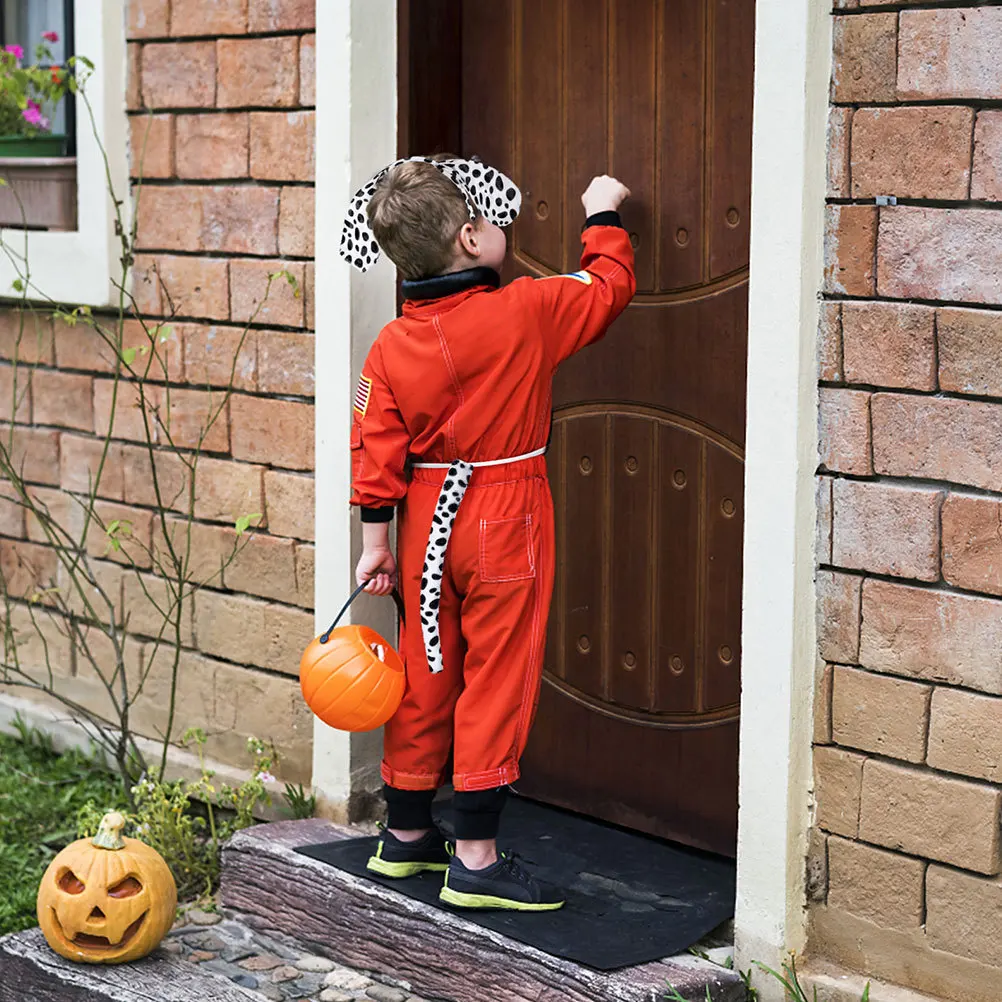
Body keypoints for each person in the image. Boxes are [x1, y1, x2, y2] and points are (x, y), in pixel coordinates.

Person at [344, 155, 634, 911]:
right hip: (505, 509)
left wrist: (376, 542)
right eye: (490, 220)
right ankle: (474, 855)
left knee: (424, 667)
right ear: (471, 238)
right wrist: (601, 215)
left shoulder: (388, 347)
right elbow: (607, 290)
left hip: (421, 517)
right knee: (498, 676)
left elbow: (373, 446)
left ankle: (405, 834)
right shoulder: (527, 310)